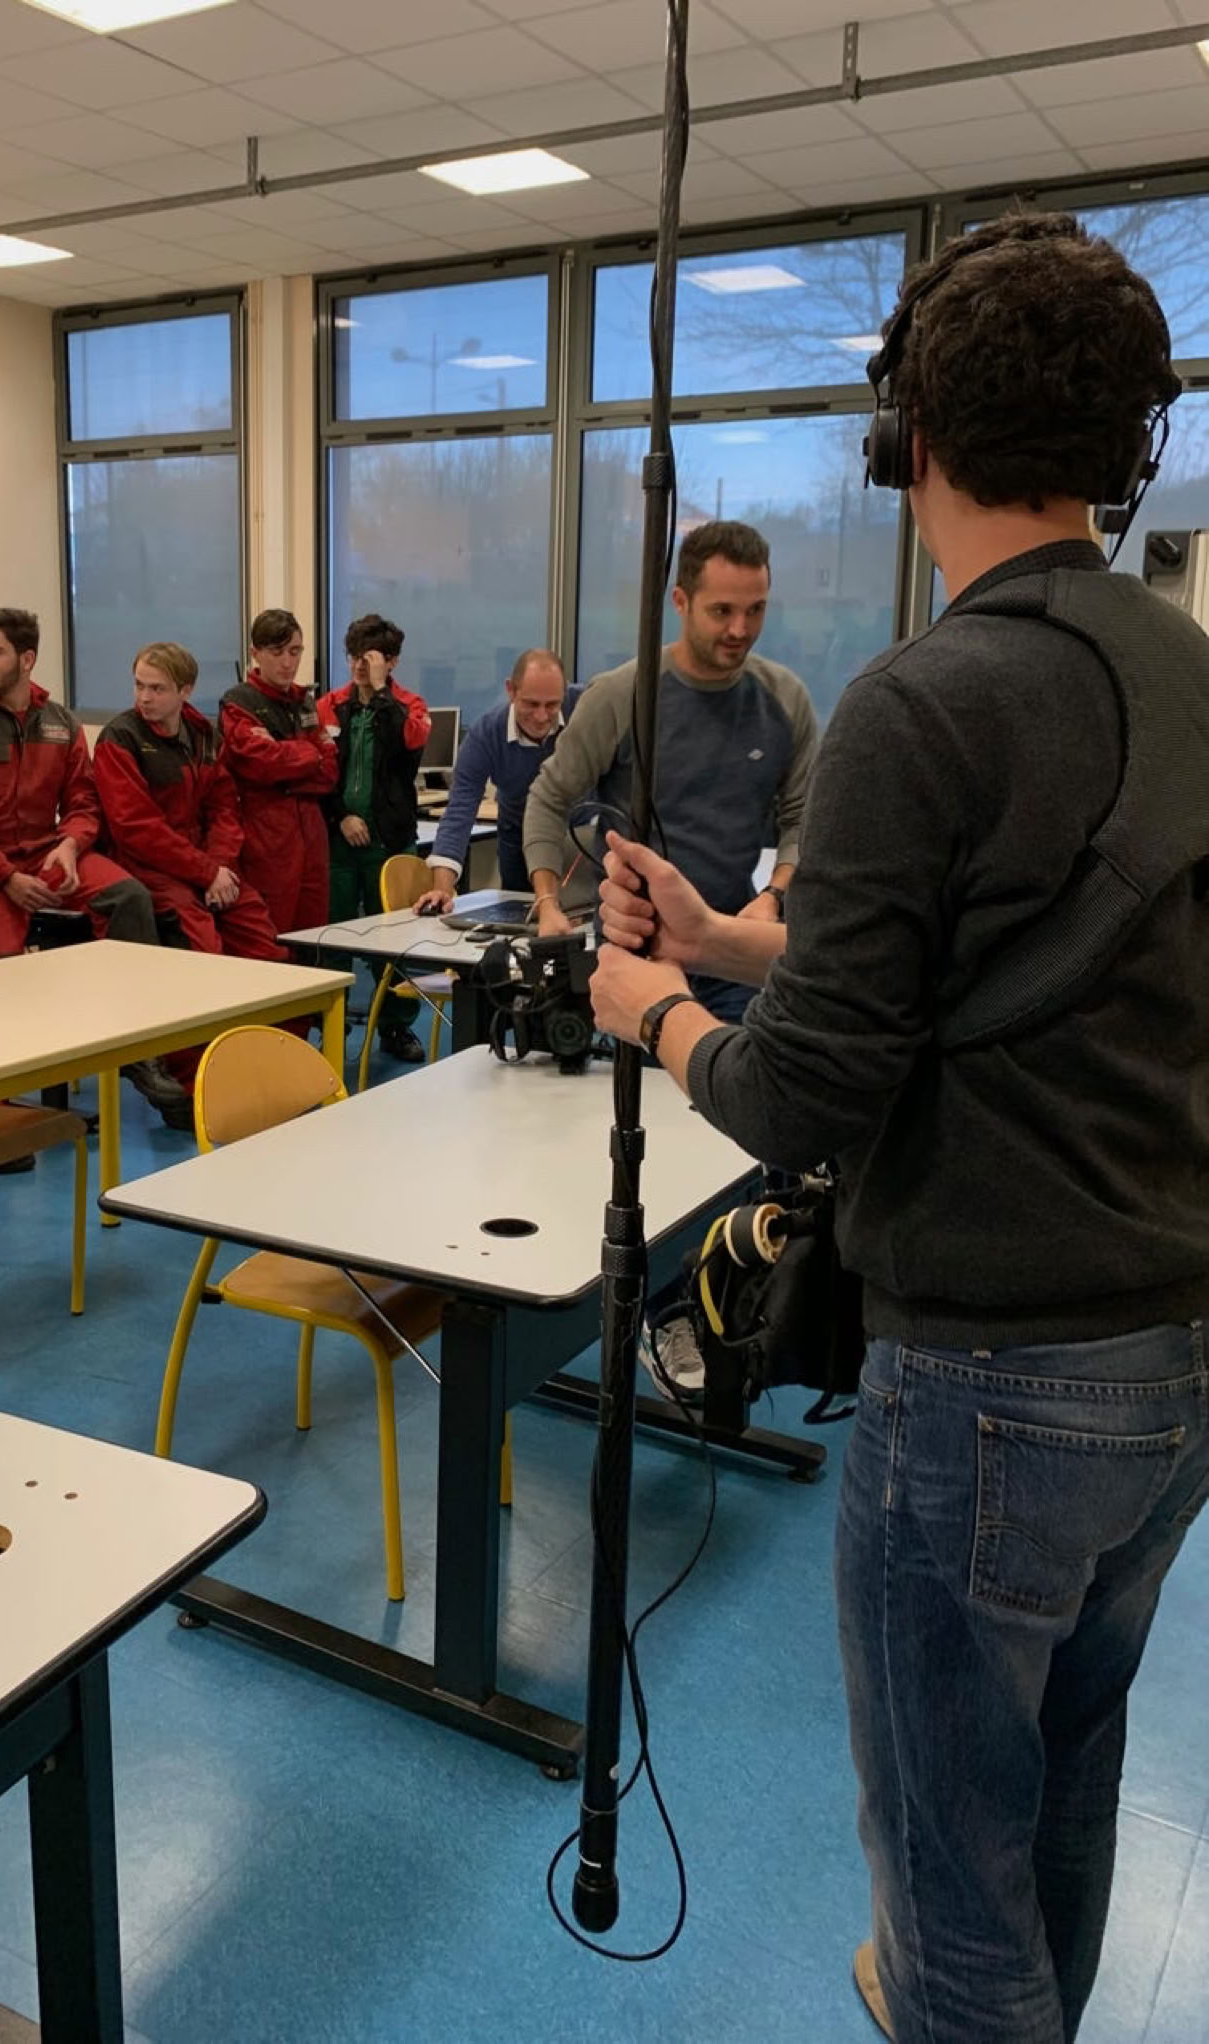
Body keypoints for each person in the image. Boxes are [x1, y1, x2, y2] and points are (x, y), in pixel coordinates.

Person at [588, 213, 1209, 2044]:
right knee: (1064, 1770)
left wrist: (649, 1008)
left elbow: (796, 1097)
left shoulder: (917, 698)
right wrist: (725, 939)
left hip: (994, 1380)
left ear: (906, 438)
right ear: (1127, 444)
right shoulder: (1185, 672)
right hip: (1175, 1347)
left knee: (943, 1866)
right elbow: (997, 941)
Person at [522, 519, 817, 1021]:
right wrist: (549, 905)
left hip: (734, 952)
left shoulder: (785, 700)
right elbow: (550, 799)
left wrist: (774, 897)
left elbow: (803, 819)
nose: (740, 630)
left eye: (755, 610)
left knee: (734, 1070)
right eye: (722, 611)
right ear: (680, 602)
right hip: (637, 947)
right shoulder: (622, 696)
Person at [0, 608, 187, 1123]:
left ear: (27, 659)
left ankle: (139, 1049)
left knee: (129, 896)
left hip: (46, 855)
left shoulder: (59, 724)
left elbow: (83, 801)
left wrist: (73, 844)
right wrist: (5, 876)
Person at [92, 638, 284, 971]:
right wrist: (206, 873)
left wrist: (219, 868)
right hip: (151, 869)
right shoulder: (120, 738)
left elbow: (225, 810)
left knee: (263, 941)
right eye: (139, 685)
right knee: (202, 950)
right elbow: (136, 829)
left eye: (157, 689)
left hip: (206, 862)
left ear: (186, 691)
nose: (144, 697)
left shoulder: (204, 736)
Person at [319, 613, 431, 1065]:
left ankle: (396, 1025)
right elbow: (320, 772)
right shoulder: (329, 707)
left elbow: (407, 746)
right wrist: (341, 816)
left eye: (369, 659)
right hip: (340, 839)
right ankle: (334, 1025)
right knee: (334, 938)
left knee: (394, 940)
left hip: (390, 840)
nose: (358, 667)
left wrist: (382, 693)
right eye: (353, 657)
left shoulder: (410, 706)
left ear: (391, 661)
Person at [413, 649, 582, 912]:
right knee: (519, 915)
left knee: (582, 913)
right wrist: (442, 891)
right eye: (531, 704)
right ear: (510, 690)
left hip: (579, 834)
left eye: (552, 705)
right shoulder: (486, 733)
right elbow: (459, 811)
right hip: (518, 836)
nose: (541, 717)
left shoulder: (585, 709)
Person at [217, 608, 338, 935]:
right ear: (255, 653)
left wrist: (287, 761)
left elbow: (329, 772)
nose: (288, 662)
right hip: (266, 835)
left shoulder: (305, 701)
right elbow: (262, 764)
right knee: (271, 939)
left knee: (313, 940)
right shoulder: (238, 703)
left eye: (295, 651)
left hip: (312, 835)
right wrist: (310, 753)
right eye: (277, 652)